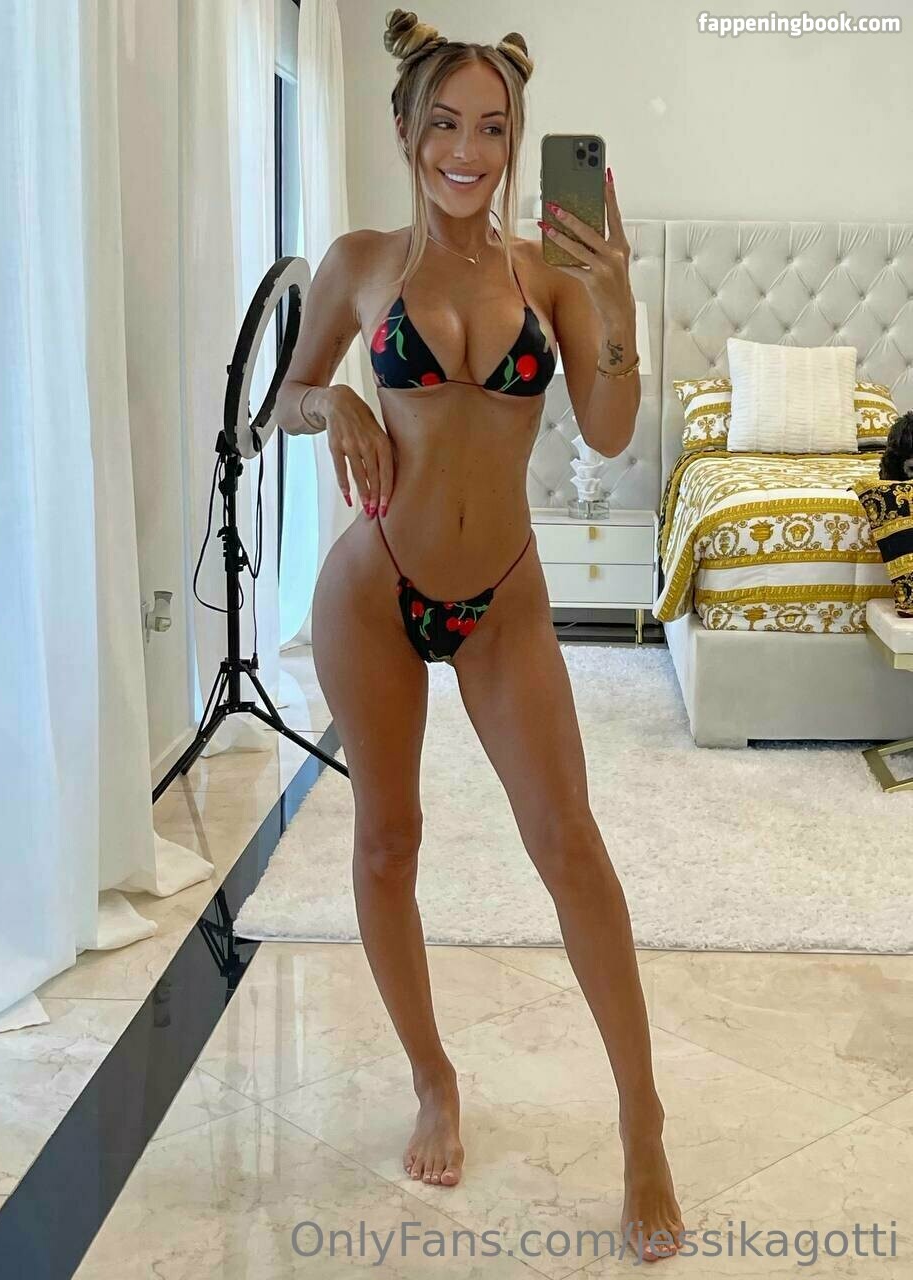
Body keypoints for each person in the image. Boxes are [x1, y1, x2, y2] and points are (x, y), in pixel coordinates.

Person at [275, 7, 683, 1263]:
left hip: (501, 597)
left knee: (569, 843)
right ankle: (432, 1075)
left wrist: (613, 297)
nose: (468, 151)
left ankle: (642, 1122)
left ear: (515, 142)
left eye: (493, 129)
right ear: (405, 130)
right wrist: (334, 400)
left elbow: (607, 429)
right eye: (445, 124)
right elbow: (283, 395)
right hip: (372, 591)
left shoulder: (547, 273)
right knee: (385, 840)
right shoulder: (356, 261)